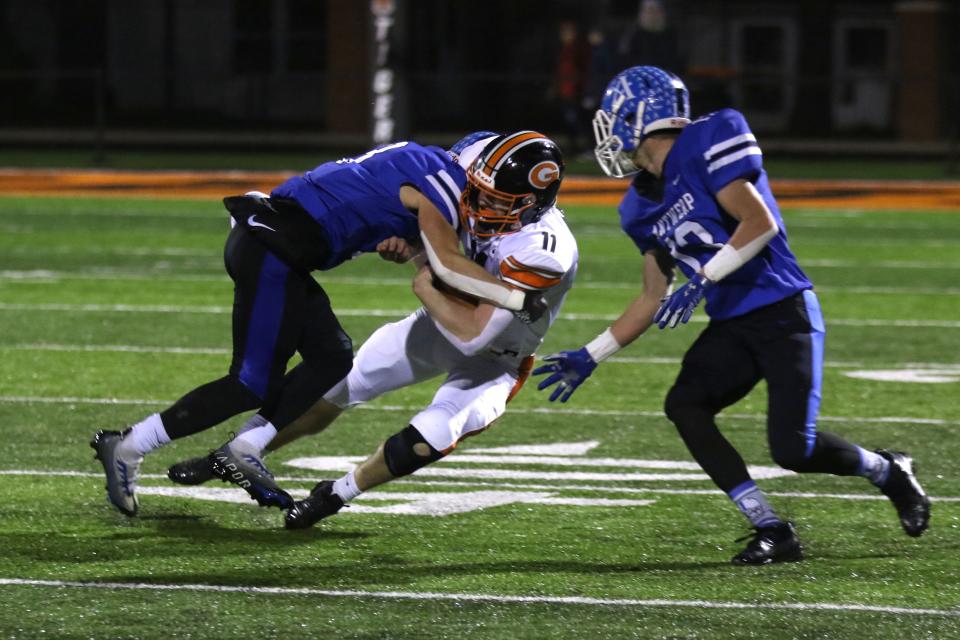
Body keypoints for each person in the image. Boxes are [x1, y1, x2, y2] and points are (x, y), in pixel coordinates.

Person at [533, 66, 930, 564]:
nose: (610, 134)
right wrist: (592, 354)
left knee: (793, 449)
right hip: (733, 325)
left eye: (616, 119)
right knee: (685, 404)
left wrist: (702, 279)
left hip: (783, 310)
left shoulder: (709, 138)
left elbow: (757, 222)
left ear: (640, 116)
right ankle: (769, 524)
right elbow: (651, 297)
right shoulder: (638, 206)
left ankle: (888, 471)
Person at [90, 133, 548, 517]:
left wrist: (402, 242)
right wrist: (515, 297)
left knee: (332, 356)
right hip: (274, 250)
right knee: (249, 383)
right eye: (485, 191)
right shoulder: (443, 186)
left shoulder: (419, 157)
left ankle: (248, 446)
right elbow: (447, 265)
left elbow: (374, 205)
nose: (484, 202)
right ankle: (129, 445)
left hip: (275, 243)